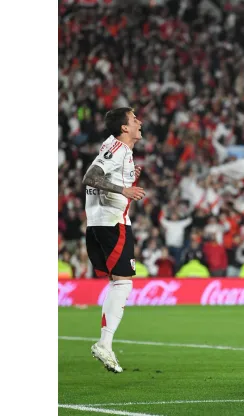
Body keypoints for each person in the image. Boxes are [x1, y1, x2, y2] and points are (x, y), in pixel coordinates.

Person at [83, 107, 146, 373]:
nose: (139, 122)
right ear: (124, 128)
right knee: (123, 283)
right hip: (112, 222)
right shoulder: (119, 148)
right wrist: (124, 188)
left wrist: (128, 178)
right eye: (134, 120)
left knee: (118, 282)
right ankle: (104, 344)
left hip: (100, 221)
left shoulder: (113, 146)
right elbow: (90, 178)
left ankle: (105, 343)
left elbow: (100, 174)